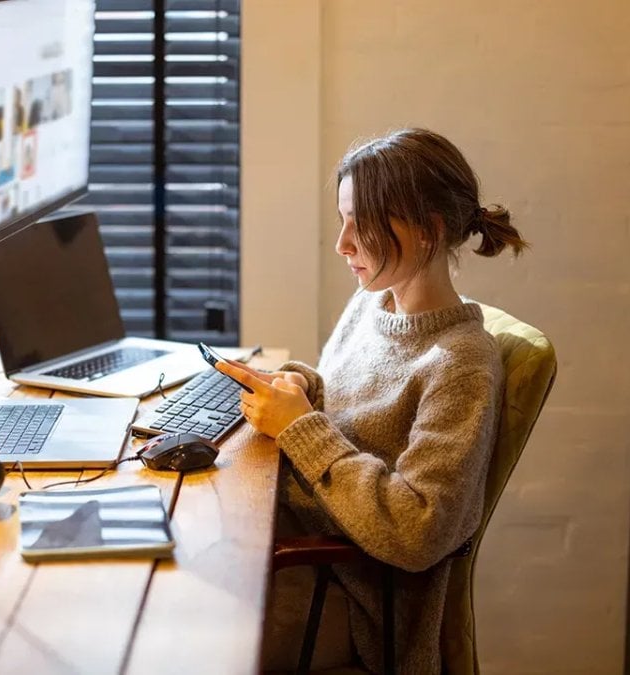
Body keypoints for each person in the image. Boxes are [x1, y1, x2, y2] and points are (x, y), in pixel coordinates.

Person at [216, 128, 527, 674]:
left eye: (360, 224)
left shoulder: (461, 363)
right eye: (343, 219)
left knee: (175, 632)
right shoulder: (374, 304)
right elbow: (344, 407)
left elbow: (418, 530)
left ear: (427, 232)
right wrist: (298, 388)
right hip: (292, 548)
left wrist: (301, 430)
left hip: (353, 604)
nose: (342, 243)